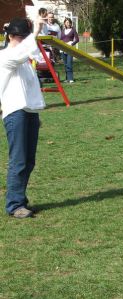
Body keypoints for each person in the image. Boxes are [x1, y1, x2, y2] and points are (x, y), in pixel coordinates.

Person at [0, 17, 46, 218]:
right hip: (15, 112)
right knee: (18, 160)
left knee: (28, 161)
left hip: (29, 113)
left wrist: (35, 111)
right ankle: (14, 204)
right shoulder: (5, 56)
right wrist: (35, 32)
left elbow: (32, 86)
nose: (23, 41)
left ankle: (20, 200)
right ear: (10, 36)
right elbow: (19, 54)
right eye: (20, 37)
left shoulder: (24, 58)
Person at [60, 17, 79, 83]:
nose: (68, 23)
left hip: (70, 48)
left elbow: (77, 39)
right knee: (65, 64)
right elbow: (60, 39)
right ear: (64, 23)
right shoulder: (62, 31)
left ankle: (71, 78)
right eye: (67, 22)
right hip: (63, 49)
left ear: (71, 23)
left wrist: (71, 44)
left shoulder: (73, 30)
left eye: (69, 22)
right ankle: (67, 78)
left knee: (69, 63)